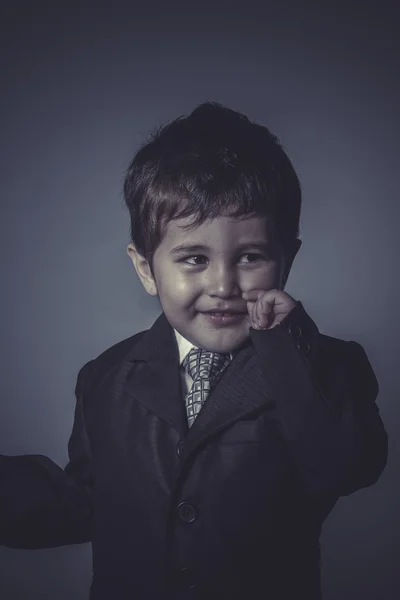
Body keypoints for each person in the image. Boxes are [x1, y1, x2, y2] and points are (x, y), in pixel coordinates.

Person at [0, 102, 388, 600]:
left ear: (286, 260)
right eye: (194, 258)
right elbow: (92, 501)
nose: (223, 284)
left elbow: (345, 467)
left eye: (250, 256)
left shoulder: (327, 368)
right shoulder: (106, 377)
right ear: (146, 269)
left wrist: (284, 346)